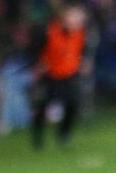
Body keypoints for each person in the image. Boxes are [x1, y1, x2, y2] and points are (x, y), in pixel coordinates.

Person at [30, 4, 89, 149]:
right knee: (43, 105)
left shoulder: (80, 33)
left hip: (70, 73)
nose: (79, 20)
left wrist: (83, 63)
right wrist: (39, 64)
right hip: (50, 74)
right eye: (75, 16)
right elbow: (36, 50)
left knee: (73, 103)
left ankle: (64, 134)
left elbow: (81, 51)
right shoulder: (49, 31)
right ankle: (38, 137)